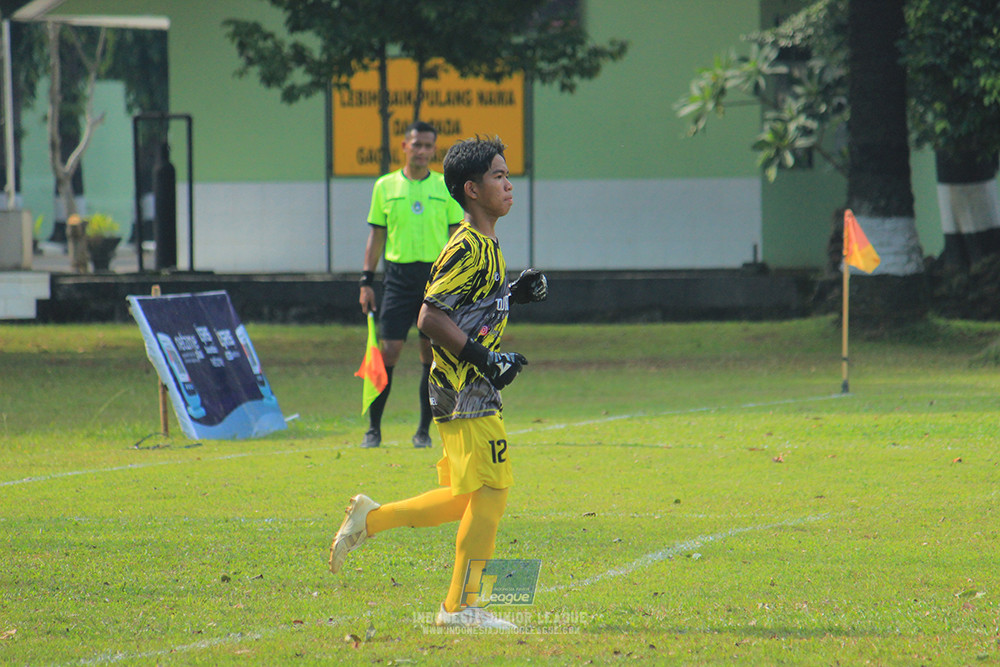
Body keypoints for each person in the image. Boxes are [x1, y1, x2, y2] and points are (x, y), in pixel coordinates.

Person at [329, 136, 549, 629]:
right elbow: (430, 316)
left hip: (467, 385)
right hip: (464, 385)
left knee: (461, 497)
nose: (509, 184)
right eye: (498, 176)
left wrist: (513, 294)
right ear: (471, 189)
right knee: (493, 489)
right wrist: (487, 361)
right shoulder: (467, 244)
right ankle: (459, 608)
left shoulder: (486, 243)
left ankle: (372, 518)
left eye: (508, 174)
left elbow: (468, 307)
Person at [359, 121, 466, 449]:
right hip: (398, 281)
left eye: (427, 146)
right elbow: (377, 235)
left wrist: (461, 279)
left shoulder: (444, 187)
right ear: (404, 146)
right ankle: (373, 429)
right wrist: (366, 280)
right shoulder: (385, 186)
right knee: (387, 352)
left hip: (435, 281)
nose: (421, 151)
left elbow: (456, 236)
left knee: (430, 356)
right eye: (416, 144)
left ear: (434, 150)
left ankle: (423, 431)